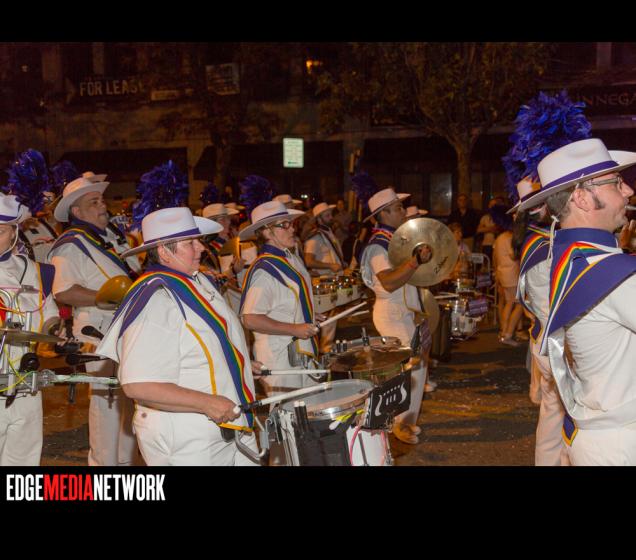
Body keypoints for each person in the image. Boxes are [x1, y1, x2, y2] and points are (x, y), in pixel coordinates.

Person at [96, 207, 259, 466]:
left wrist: (236, 364)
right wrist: (207, 403)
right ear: (164, 251)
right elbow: (139, 385)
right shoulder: (156, 299)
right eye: (190, 242)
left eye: (198, 240)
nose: (201, 248)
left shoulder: (195, 281)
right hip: (189, 437)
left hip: (225, 427)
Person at [519, 138, 636, 466]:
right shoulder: (613, 273)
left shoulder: (573, 256)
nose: (628, 190)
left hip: (602, 436)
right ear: (582, 197)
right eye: (615, 182)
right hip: (621, 445)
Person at [48, 174, 142, 467]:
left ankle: (126, 465)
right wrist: (104, 298)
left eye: (102, 200)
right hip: (98, 329)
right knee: (106, 405)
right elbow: (63, 291)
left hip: (125, 326)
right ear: (76, 211)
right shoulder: (70, 245)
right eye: (94, 202)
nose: (103, 206)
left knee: (130, 399)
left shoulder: (111, 239)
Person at [359, 188, 432, 444]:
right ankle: (399, 424)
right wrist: (414, 262)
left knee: (417, 367)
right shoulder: (378, 246)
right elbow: (389, 283)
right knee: (408, 369)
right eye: (398, 208)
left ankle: (407, 421)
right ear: (384, 214)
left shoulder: (396, 239)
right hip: (391, 312)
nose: (403, 211)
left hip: (405, 311)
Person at [240, 201, 324, 398]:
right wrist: (294, 328)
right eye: (284, 225)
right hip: (279, 356)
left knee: (310, 408)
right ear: (267, 232)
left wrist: (307, 314)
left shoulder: (290, 257)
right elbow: (250, 318)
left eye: (291, 223)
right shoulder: (263, 272)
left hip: (300, 351)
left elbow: (286, 301)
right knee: (288, 413)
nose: (292, 229)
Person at [0, 194, 58, 466]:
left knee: (23, 461)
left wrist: (56, 334)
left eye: (0, 231)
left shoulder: (36, 271)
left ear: (14, 232)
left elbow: (49, 315)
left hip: (26, 383)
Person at [303, 202, 346, 353]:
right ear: (319, 219)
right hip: (323, 281)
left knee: (332, 316)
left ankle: (326, 347)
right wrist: (330, 266)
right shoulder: (314, 237)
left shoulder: (328, 233)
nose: (331, 218)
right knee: (327, 317)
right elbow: (308, 261)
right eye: (327, 215)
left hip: (332, 279)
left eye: (330, 214)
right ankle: (323, 349)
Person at [200, 203, 246, 313]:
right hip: (224, 307)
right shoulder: (204, 252)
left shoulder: (234, 242)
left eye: (228, 218)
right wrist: (233, 271)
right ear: (212, 224)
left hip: (242, 303)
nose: (228, 222)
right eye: (223, 219)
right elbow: (212, 283)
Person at [491, 205, 524, 346]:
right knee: (518, 304)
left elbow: (495, 257)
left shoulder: (499, 238)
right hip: (511, 274)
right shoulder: (509, 237)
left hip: (502, 273)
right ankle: (507, 333)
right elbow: (512, 255)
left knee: (508, 303)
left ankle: (504, 332)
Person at [476, 197, 502, 262]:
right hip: (486, 244)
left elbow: (499, 229)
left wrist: (485, 228)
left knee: (496, 262)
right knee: (486, 263)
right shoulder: (484, 217)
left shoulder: (501, 217)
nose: (492, 206)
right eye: (491, 205)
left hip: (498, 244)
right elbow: (479, 230)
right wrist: (492, 228)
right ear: (489, 206)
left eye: (494, 205)